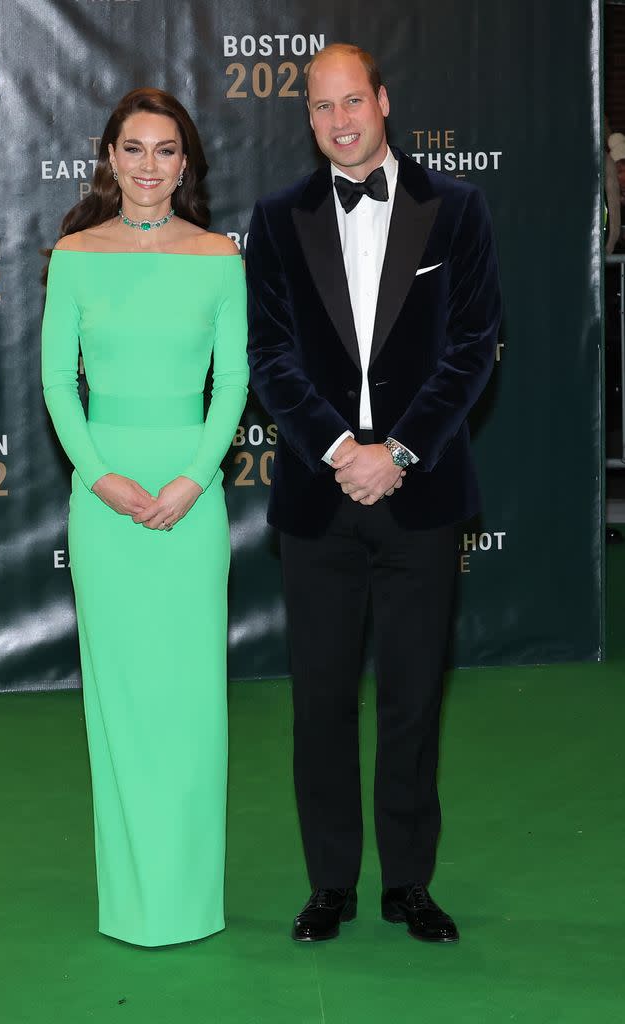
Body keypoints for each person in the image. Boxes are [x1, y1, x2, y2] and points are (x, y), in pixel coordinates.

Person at [246, 44, 501, 944]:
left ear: (383, 101)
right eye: (321, 108)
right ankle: (329, 884)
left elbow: (473, 348)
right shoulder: (277, 219)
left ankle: (408, 883)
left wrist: (393, 450)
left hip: (418, 492)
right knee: (318, 701)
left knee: (411, 697)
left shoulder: (456, 209)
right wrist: (335, 450)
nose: (339, 120)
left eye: (352, 101)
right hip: (320, 500)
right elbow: (268, 357)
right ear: (307, 118)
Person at [41, 88, 248, 947]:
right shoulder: (74, 254)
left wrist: (195, 479)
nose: (149, 166)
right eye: (134, 149)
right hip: (107, 503)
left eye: (167, 151)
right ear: (110, 157)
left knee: (192, 701)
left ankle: (190, 898)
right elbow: (59, 382)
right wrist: (100, 479)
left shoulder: (219, 258)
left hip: (190, 505)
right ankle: (132, 902)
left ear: (187, 163)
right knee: (121, 702)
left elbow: (232, 381)